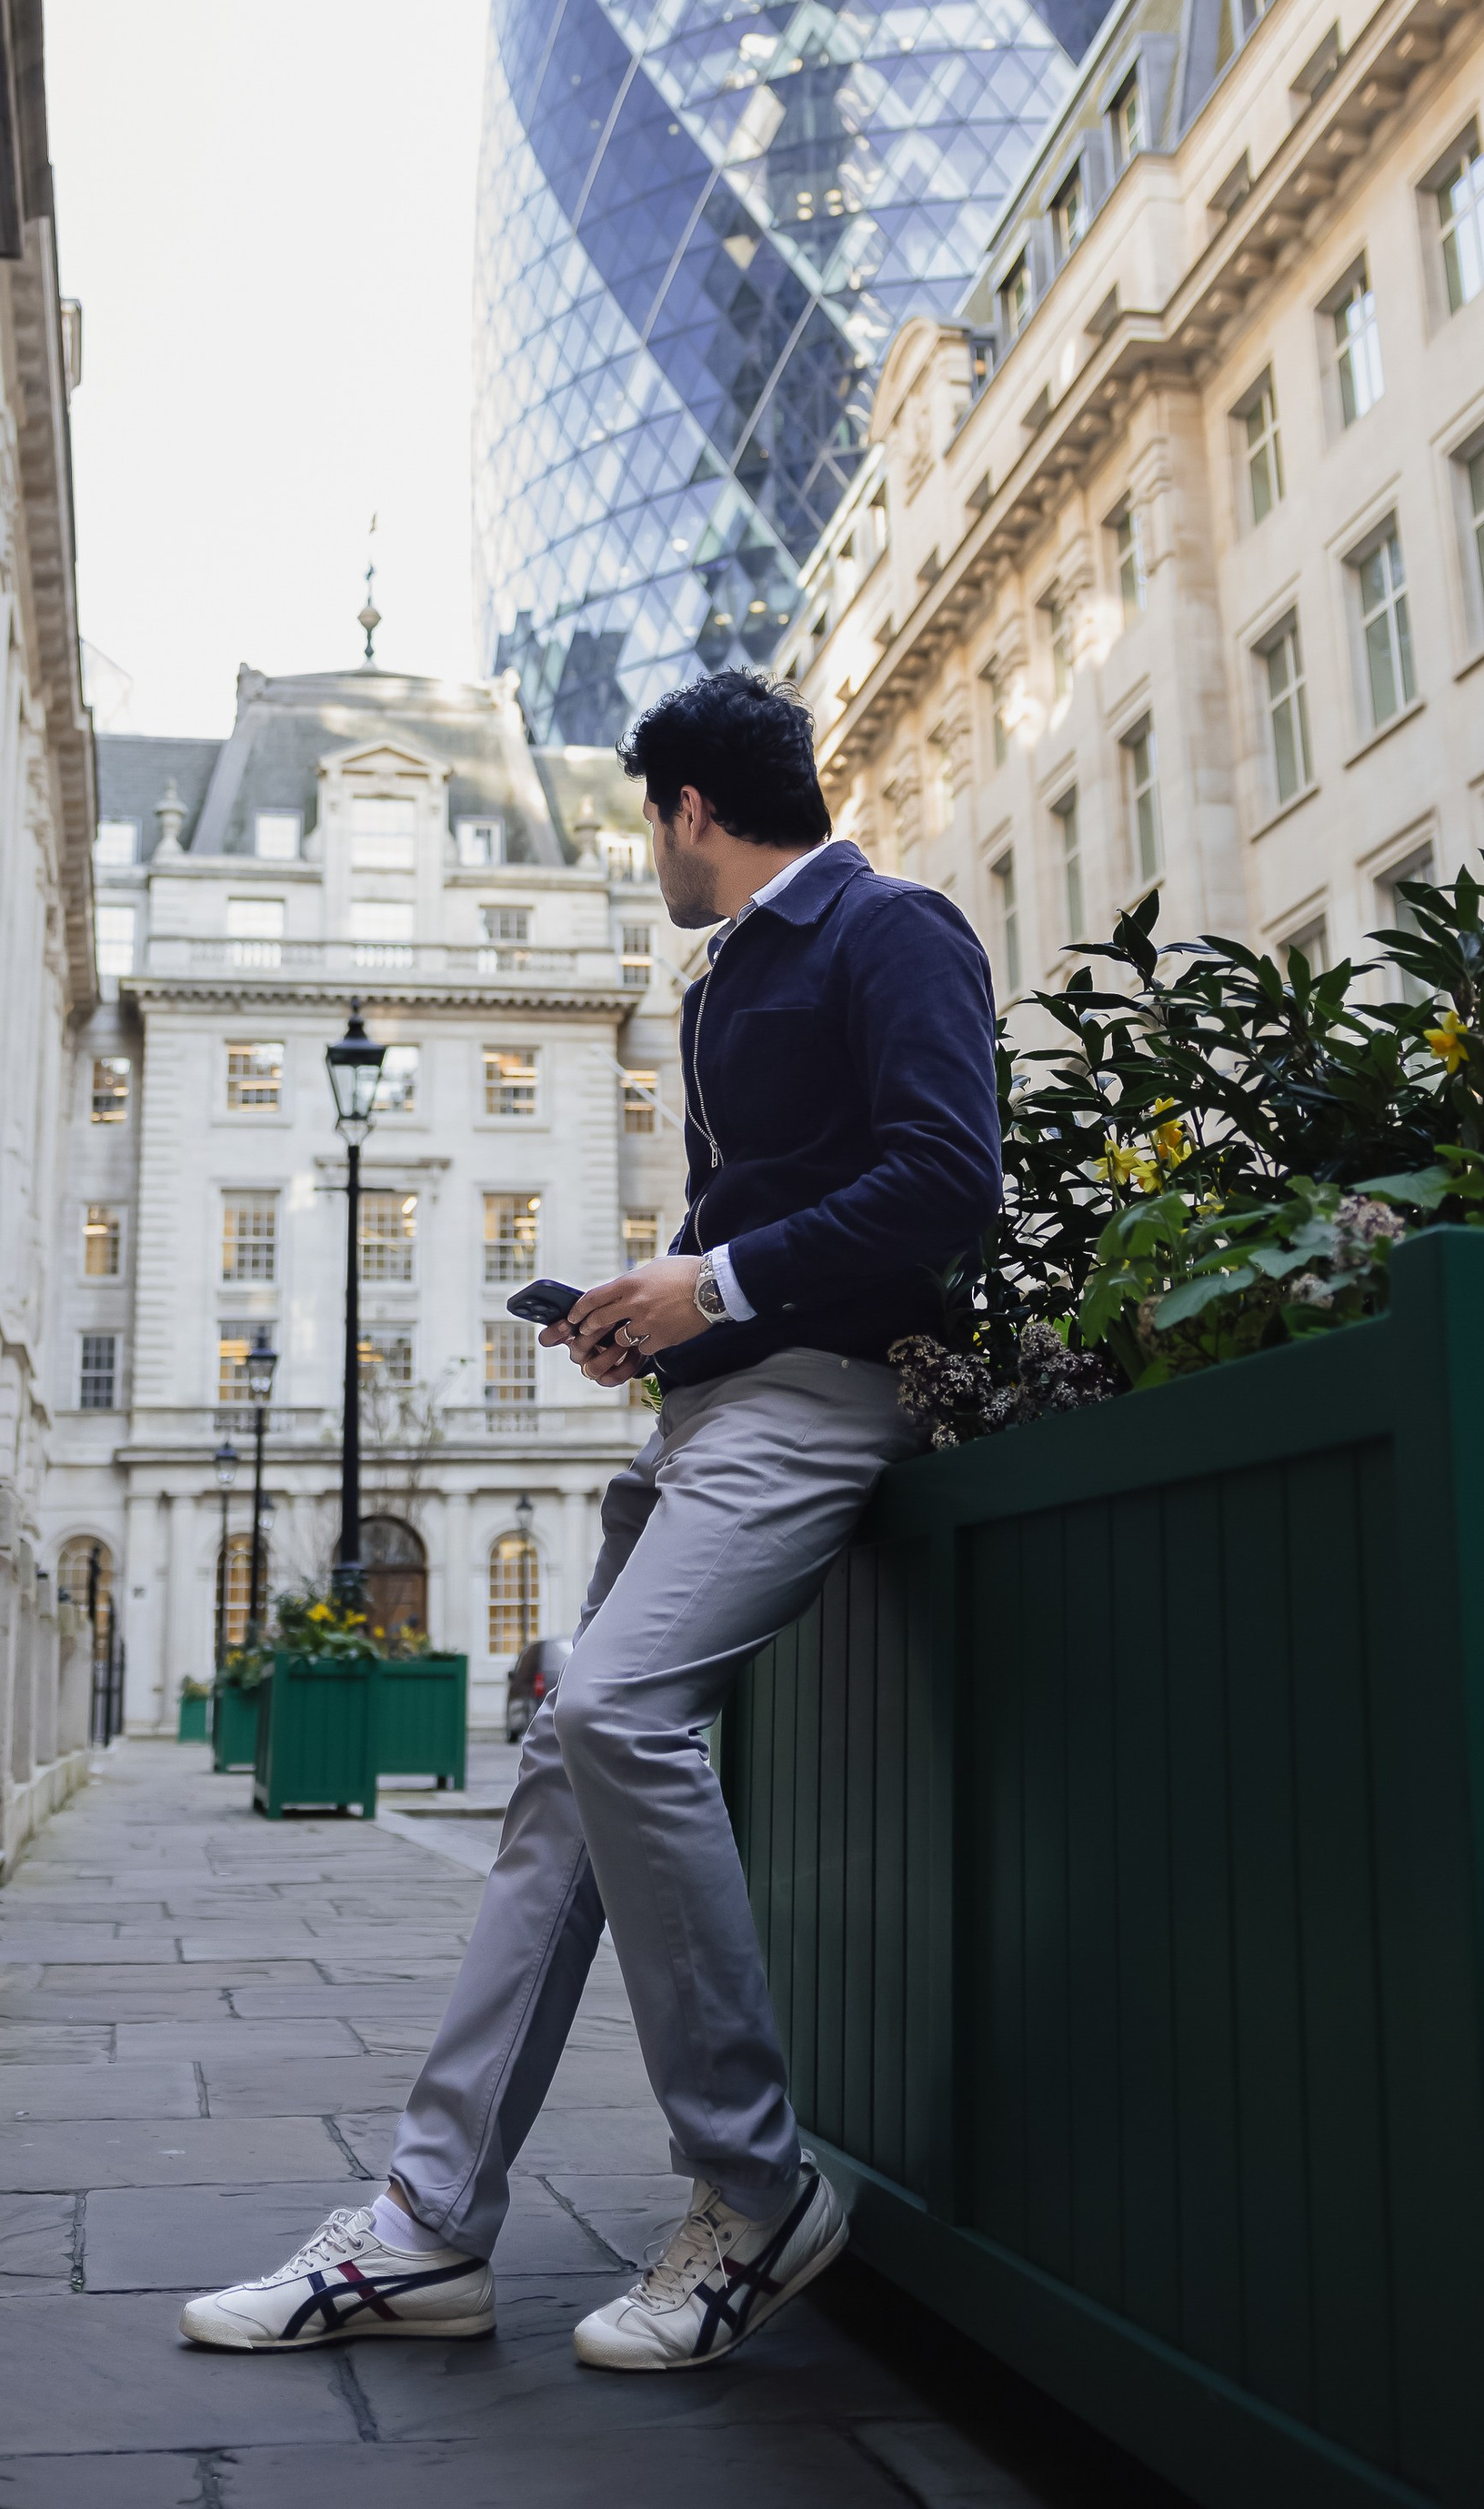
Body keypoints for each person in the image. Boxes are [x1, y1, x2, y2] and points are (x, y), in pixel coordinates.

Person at [181, 668, 1001, 2375]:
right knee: (560, 1763)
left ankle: (754, 2192)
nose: (650, 855)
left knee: (618, 1715)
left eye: (650, 824)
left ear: (689, 810)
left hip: (818, 1398)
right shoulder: (723, 981)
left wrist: (713, 1277)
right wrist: (648, 1310)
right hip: (710, 1410)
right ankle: (422, 2226)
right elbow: (764, 1222)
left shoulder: (891, 931)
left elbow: (949, 1177)